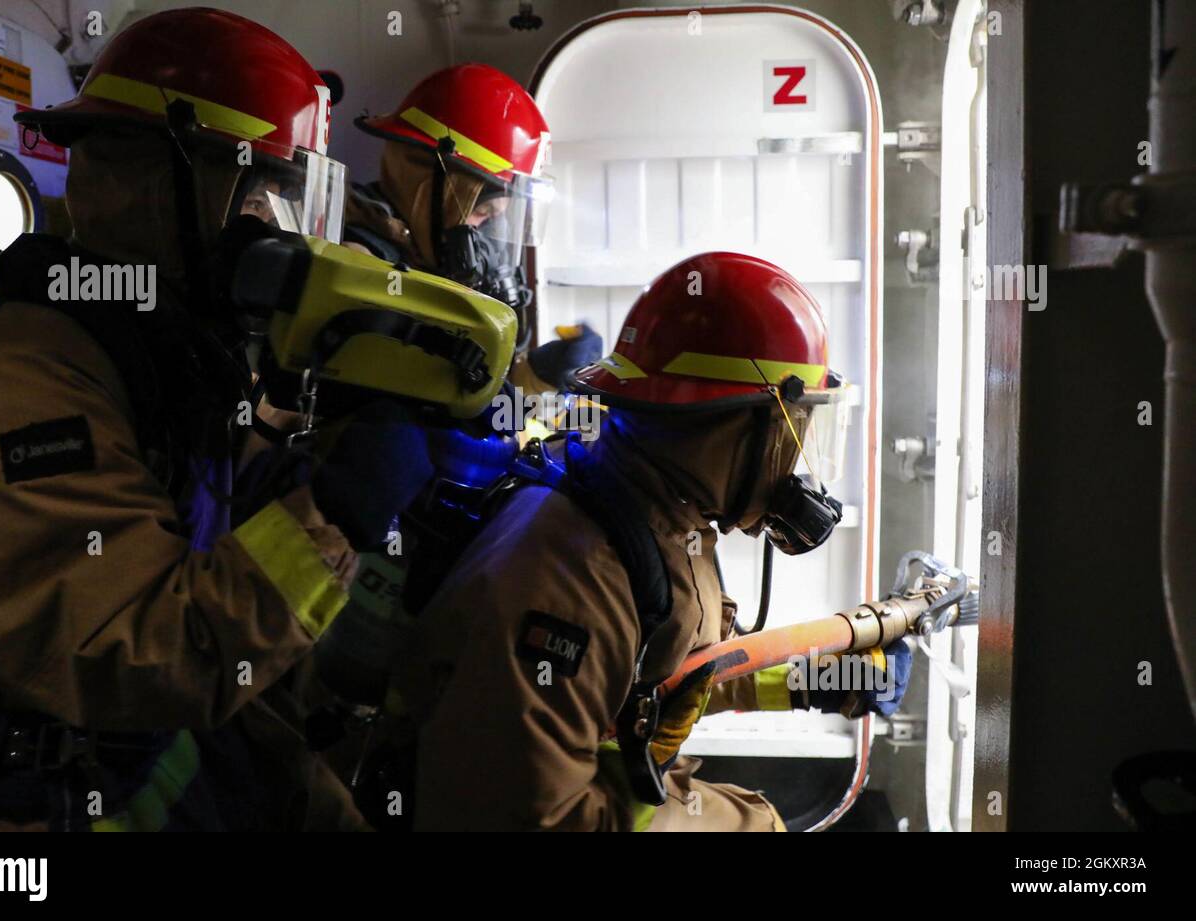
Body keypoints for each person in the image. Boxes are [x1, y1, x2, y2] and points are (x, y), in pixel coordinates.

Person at [0, 8, 434, 831]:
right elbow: (150, 652)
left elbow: (188, 530)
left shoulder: (153, 357)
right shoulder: (24, 380)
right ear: (159, 180)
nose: (271, 229)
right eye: (256, 194)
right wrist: (332, 517)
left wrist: (298, 464)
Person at [382, 252, 912, 831]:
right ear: (734, 427)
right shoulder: (572, 579)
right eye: (795, 432)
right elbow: (535, 819)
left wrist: (817, 681)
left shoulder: (648, 507)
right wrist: (736, 822)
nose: (801, 469)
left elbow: (667, 678)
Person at [346, 63, 601, 397]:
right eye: (481, 212)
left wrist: (539, 373)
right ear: (428, 183)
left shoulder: (427, 253)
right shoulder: (356, 264)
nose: (483, 236)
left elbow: (461, 387)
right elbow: (413, 398)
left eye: (496, 218)